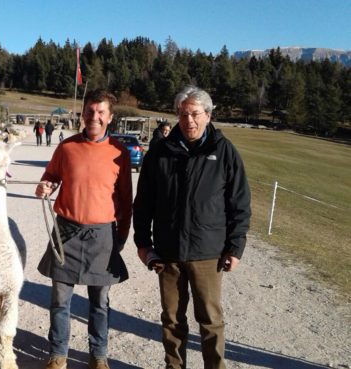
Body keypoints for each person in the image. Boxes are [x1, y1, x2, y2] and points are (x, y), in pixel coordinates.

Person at [133, 86, 251, 369]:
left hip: (207, 253)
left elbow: (239, 203)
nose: (189, 121)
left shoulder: (224, 152)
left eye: (195, 114)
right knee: (172, 319)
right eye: (184, 114)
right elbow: (144, 200)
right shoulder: (160, 151)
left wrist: (235, 247)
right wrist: (143, 243)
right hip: (168, 252)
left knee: (210, 320)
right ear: (177, 115)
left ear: (208, 116)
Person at [35, 89, 133, 369]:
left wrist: (122, 236)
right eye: (90, 111)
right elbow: (51, 176)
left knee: (100, 302)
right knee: (59, 301)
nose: (95, 117)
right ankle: (58, 354)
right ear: (83, 114)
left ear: (110, 118)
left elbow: (126, 200)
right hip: (66, 233)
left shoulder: (119, 152)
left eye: (101, 112)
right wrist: (46, 186)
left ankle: (98, 355)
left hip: (102, 235)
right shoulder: (66, 148)